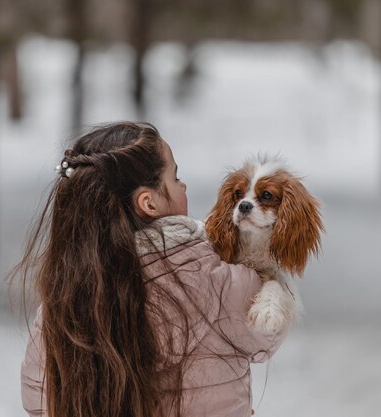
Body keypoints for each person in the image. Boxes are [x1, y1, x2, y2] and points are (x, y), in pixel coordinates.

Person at [15, 122, 288, 417]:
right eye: (176, 178)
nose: (183, 186)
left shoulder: (63, 297)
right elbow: (269, 330)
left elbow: (38, 397)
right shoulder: (218, 281)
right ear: (149, 203)